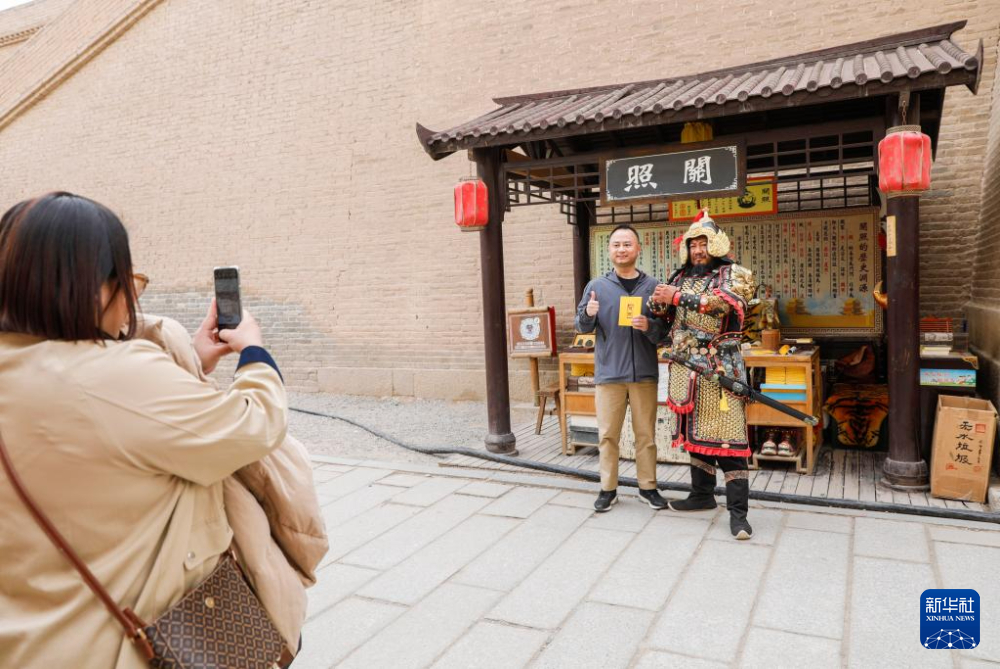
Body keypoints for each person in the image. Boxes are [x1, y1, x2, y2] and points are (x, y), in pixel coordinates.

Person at [0, 193, 290, 668]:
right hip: (109, 648)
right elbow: (254, 423)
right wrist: (255, 353)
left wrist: (191, 362)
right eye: (129, 280)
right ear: (94, 289)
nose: (135, 299)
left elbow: (113, 429)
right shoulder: (116, 375)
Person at [649, 208, 757, 539]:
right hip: (685, 369)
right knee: (695, 436)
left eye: (704, 244)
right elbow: (667, 317)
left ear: (717, 245)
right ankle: (701, 495)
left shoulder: (734, 273)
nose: (698, 250)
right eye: (693, 244)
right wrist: (657, 305)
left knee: (729, 438)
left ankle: (738, 513)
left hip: (719, 368)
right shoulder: (679, 276)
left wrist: (676, 297)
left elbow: (723, 304)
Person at [575, 224, 668, 512]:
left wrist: (649, 325)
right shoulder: (596, 287)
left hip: (644, 374)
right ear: (609, 250)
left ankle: (648, 487)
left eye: (627, 244)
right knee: (607, 435)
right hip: (609, 373)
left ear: (638, 249)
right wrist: (588, 314)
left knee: (646, 436)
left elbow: (665, 332)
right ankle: (608, 488)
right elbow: (581, 326)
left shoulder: (653, 287)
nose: (622, 249)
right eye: (616, 244)